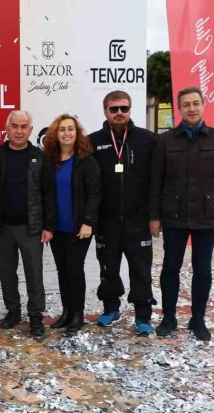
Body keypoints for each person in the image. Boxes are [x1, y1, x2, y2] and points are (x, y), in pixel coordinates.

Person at [150, 86, 214, 342]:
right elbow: (156, 182)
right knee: (170, 267)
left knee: (203, 269)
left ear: (203, 104)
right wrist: (154, 216)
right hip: (173, 215)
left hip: (207, 215)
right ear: (179, 109)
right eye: (186, 104)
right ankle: (169, 317)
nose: (191, 108)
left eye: (195, 103)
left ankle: (198, 319)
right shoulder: (165, 141)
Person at [88, 91, 157, 335]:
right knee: (108, 268)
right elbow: (88, 184)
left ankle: (143, 315)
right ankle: (111, 308)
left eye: (124, 108)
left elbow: (156, 180)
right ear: (105, 111)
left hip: (138, 220)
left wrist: (154, 216)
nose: (119, 113)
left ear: (130, 110)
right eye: (114, 109)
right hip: (107, 221)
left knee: (141, 270)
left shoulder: (148, 139)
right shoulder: (92, 141)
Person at [0, 110, 55, 338]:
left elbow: (48, 193)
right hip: (3, 227)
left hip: (32, 227)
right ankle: (13, 311)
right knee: (6, 273)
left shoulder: (39, 157)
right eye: (14, 126)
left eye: (24, 127)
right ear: (7, 129)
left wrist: (48, 226)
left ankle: (36, 315)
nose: (19, 131)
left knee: (34, 274)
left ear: (30, 130)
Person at [44, 114, 101, 334]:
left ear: (77, 133)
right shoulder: (51, 161)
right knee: (62, 270)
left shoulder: (86, 160)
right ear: (55, 134)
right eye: (62, 129)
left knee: (75, 269)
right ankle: (66, 312)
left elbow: (95, 193)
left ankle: (78, 314)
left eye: (70, 129)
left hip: (79, 227)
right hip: (56, 227)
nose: (66, 133)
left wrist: (88, 222)